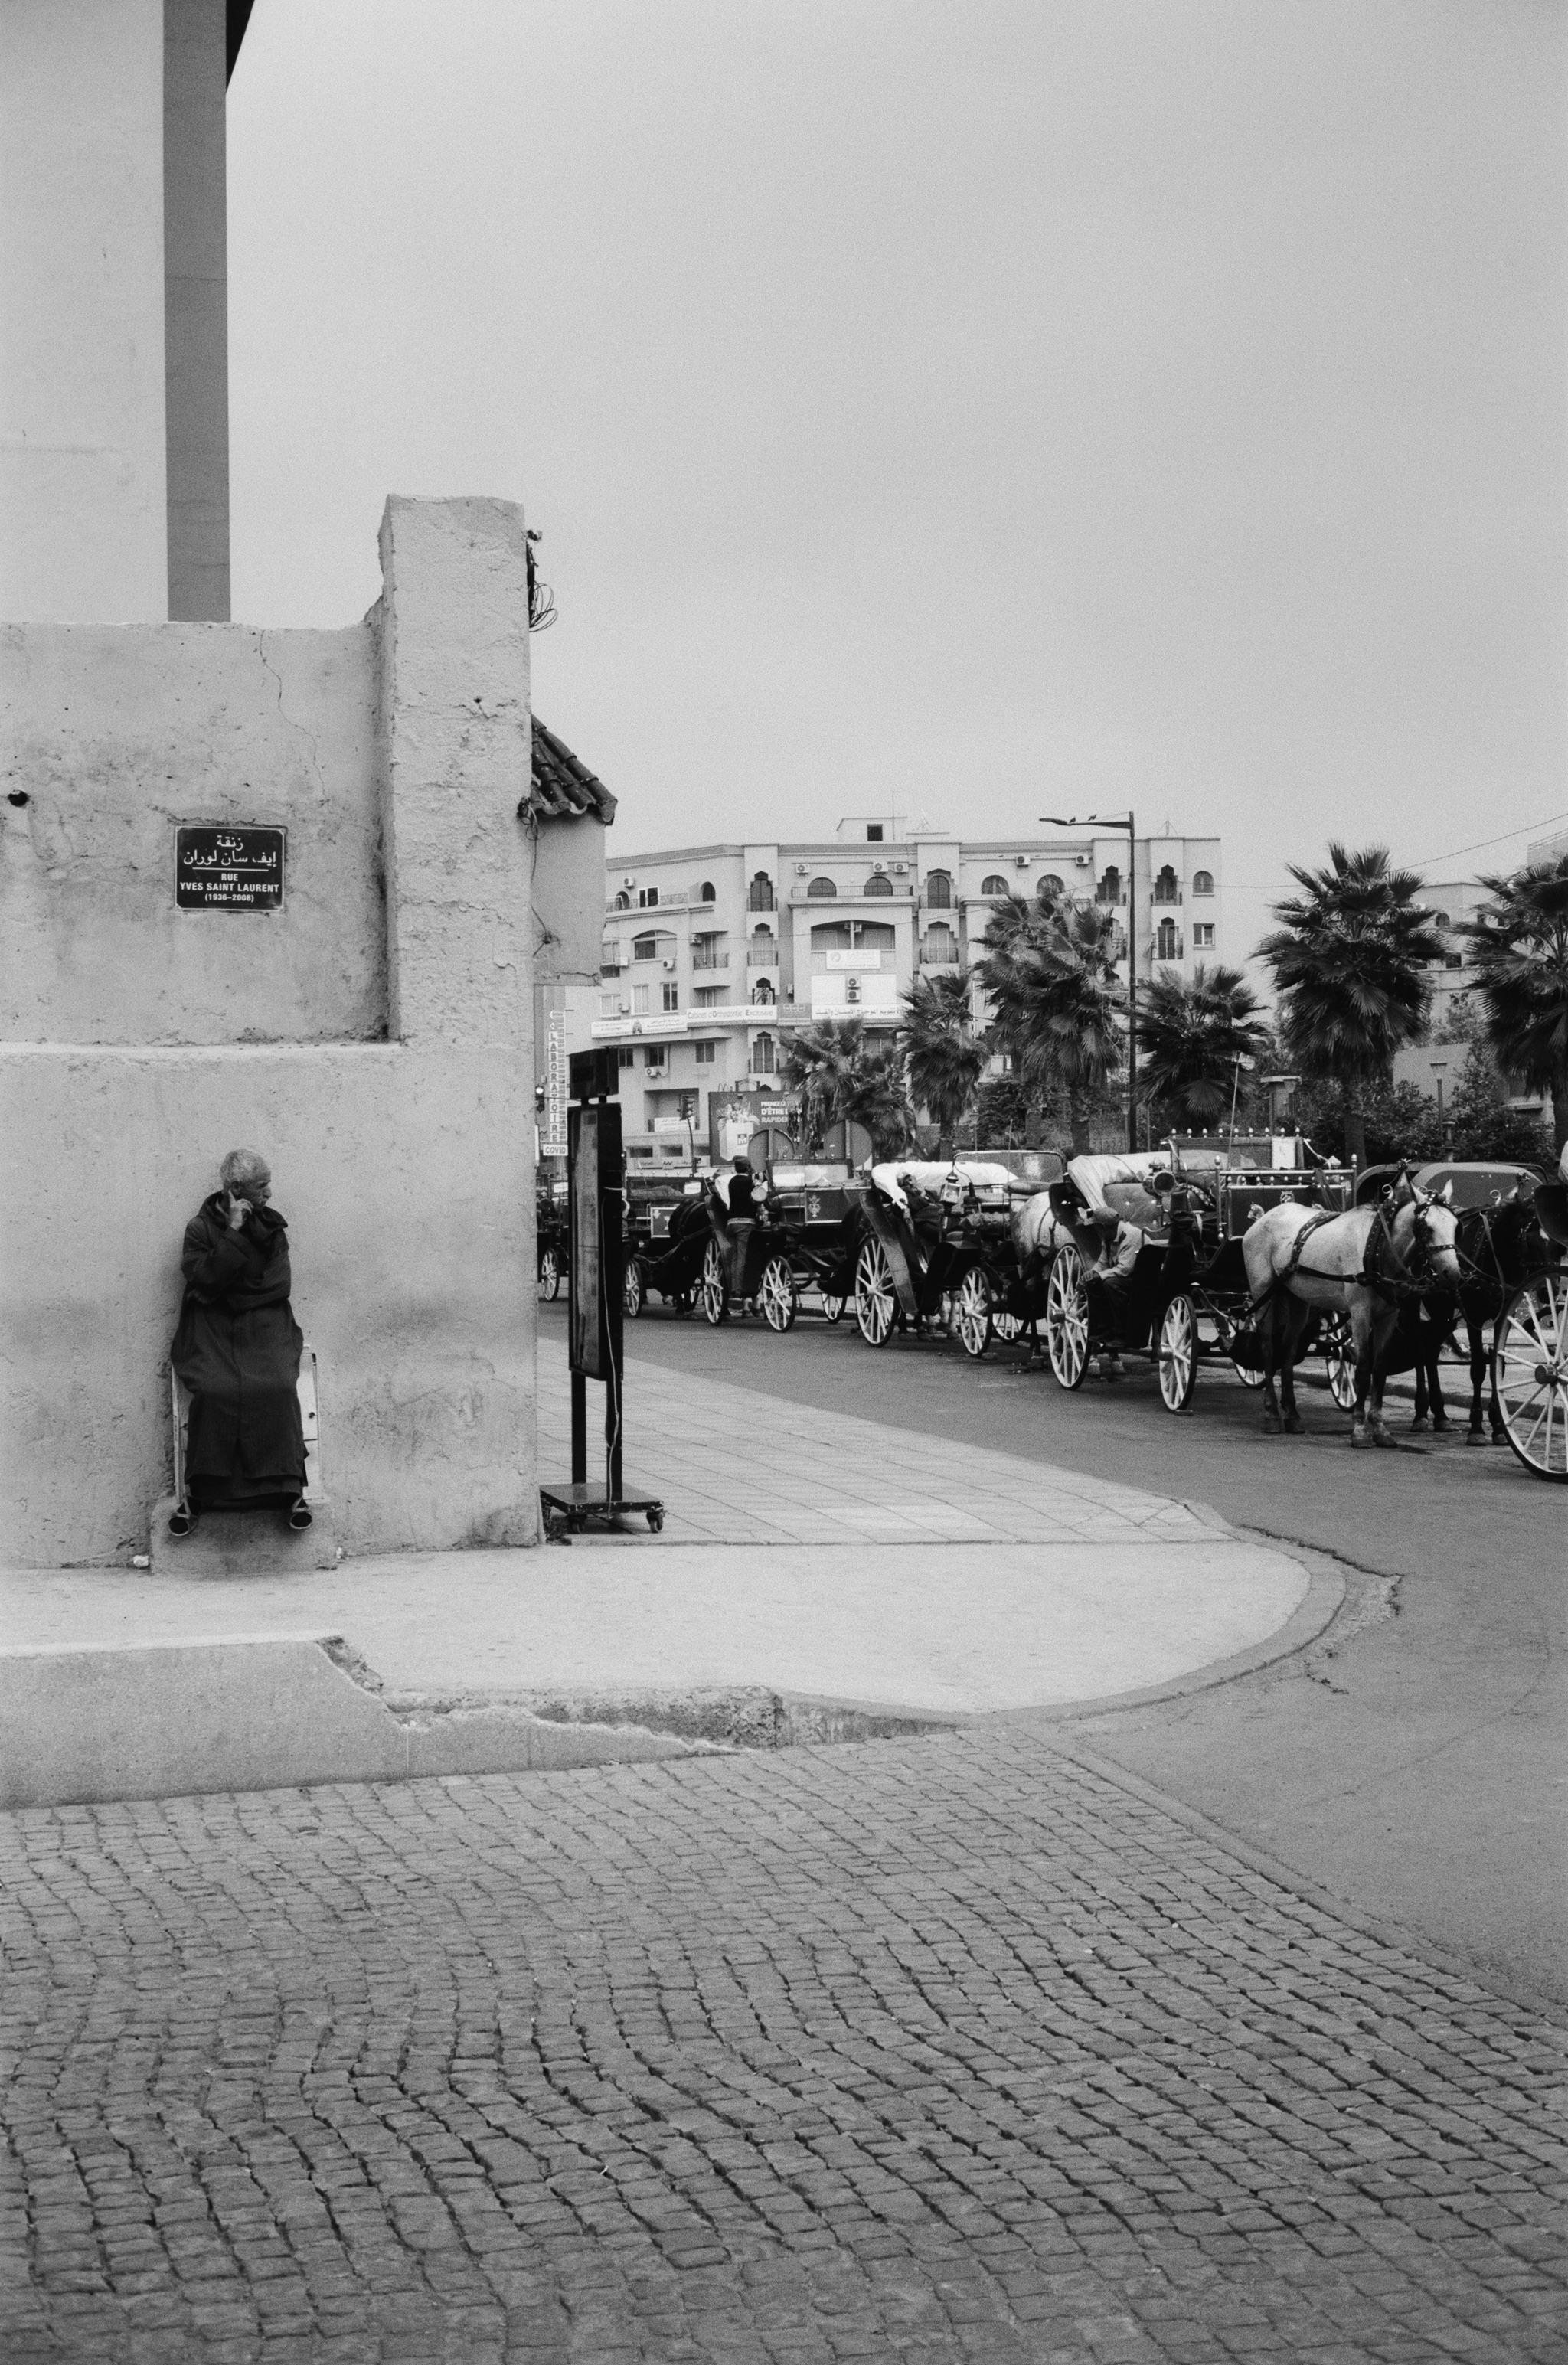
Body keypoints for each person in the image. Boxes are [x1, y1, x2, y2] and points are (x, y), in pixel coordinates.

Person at [168, 1149, 309, 1535]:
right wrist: (232, 1234)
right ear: (236, 1189)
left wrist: (222, 1290)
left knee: (277, 1386)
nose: (269, 1193)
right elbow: (205, 1278)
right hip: (211, 1331)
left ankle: (289, 1490)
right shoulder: (199, 1229)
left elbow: (279, 1285)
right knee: (216, 1390)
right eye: (261, 1186)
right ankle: (204, 1493)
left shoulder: (273, 1227)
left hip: (266, 1328)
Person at [1085, 1203, 1143, 1381]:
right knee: (1095, 1284)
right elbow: (1103, 1261)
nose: (1097, 1231)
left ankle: (1121, 1330)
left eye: (1097, 1228)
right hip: (1123, 1277)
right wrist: (1093, 1273)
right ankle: (1103, 1329)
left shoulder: (1131, 1235)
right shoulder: (1110, 1237)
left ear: (1104, 1227)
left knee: (1110, 1284)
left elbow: (1124, 1269)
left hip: (1139, 1280)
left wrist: (1099, 1276)